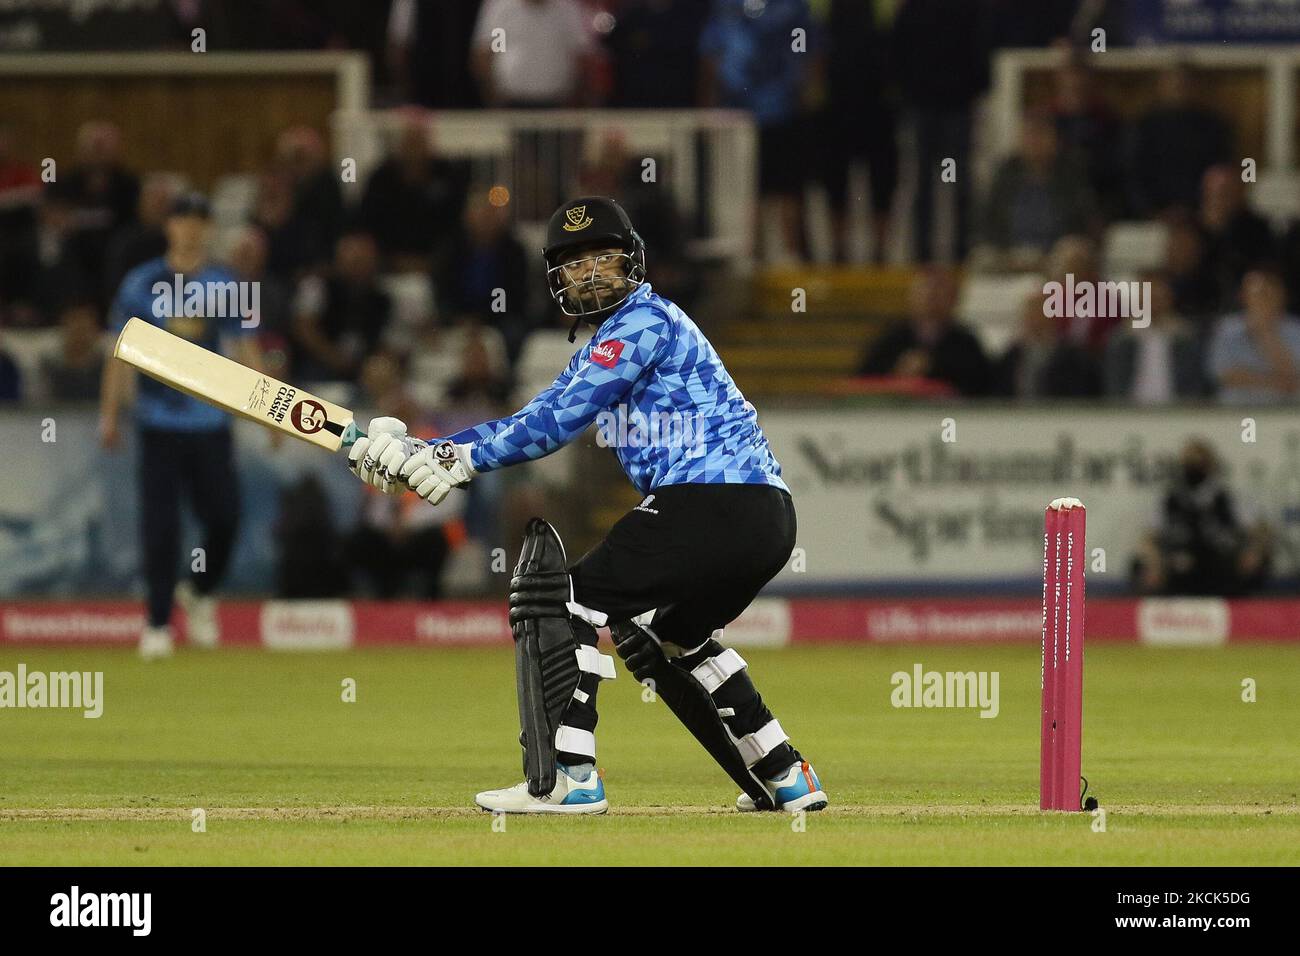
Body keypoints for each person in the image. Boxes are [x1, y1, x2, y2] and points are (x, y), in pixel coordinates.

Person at [343, 197, 825, 815]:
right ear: (558, 280)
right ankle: (787, 776)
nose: (591, 272)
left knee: (563, 599)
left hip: (714, 501)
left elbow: (555, 423)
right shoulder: (611, 343)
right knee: (671, 634)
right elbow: (533, 416)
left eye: (603, 257)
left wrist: (451, 460)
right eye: (575, 263)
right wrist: (422, 450)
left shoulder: (645, 323)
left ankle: (571, 778)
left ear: (633, 263)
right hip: (760, 517)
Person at [99, 192, 269, 659]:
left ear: (208, 228)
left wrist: (273, 412)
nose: (190, 229)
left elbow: (246, 346)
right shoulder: (141, 282)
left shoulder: (224, 282)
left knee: (225, 515)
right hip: (157, 424)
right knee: (160, 526)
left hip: (210, 420)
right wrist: (110, 414)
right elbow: (121, 351)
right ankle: (156, 624)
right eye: (183, 220)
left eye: (199, 221)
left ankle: (197, 590)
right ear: (169, 227)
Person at [1132, 439, 1272, 597]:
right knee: (1140, 566)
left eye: (1197, 462)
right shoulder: (1169, 501)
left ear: (1210, 465)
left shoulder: (1228, 498)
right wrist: (1155, 563)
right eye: (1188, 463)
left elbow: (1261, 530)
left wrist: (1253, 551)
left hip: (1221, 567)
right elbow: (1148, 538)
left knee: (1256, 562)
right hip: (1180, 566)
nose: (1192, 468)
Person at [857, 265, 991, 396]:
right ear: (911, 296)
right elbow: (864, 379)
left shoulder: (966, 343)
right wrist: (898, 372)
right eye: (925, 290)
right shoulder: (892, 337)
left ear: (954, 299)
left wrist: (933, 367)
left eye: (938, 291)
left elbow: (981, 385)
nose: (930, 297)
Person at [1207, 268, 1300, 405]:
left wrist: (1265, 333)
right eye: (1259, 294)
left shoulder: (1295, 328)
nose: (1264, 300)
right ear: (1244, 297)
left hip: (1284, 410)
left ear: (1281, 296)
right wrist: (1273, 382)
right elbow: (1224, 375)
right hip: (1236, 410)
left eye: (1269, 294)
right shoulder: (1226, 329)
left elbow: (1293, 373)